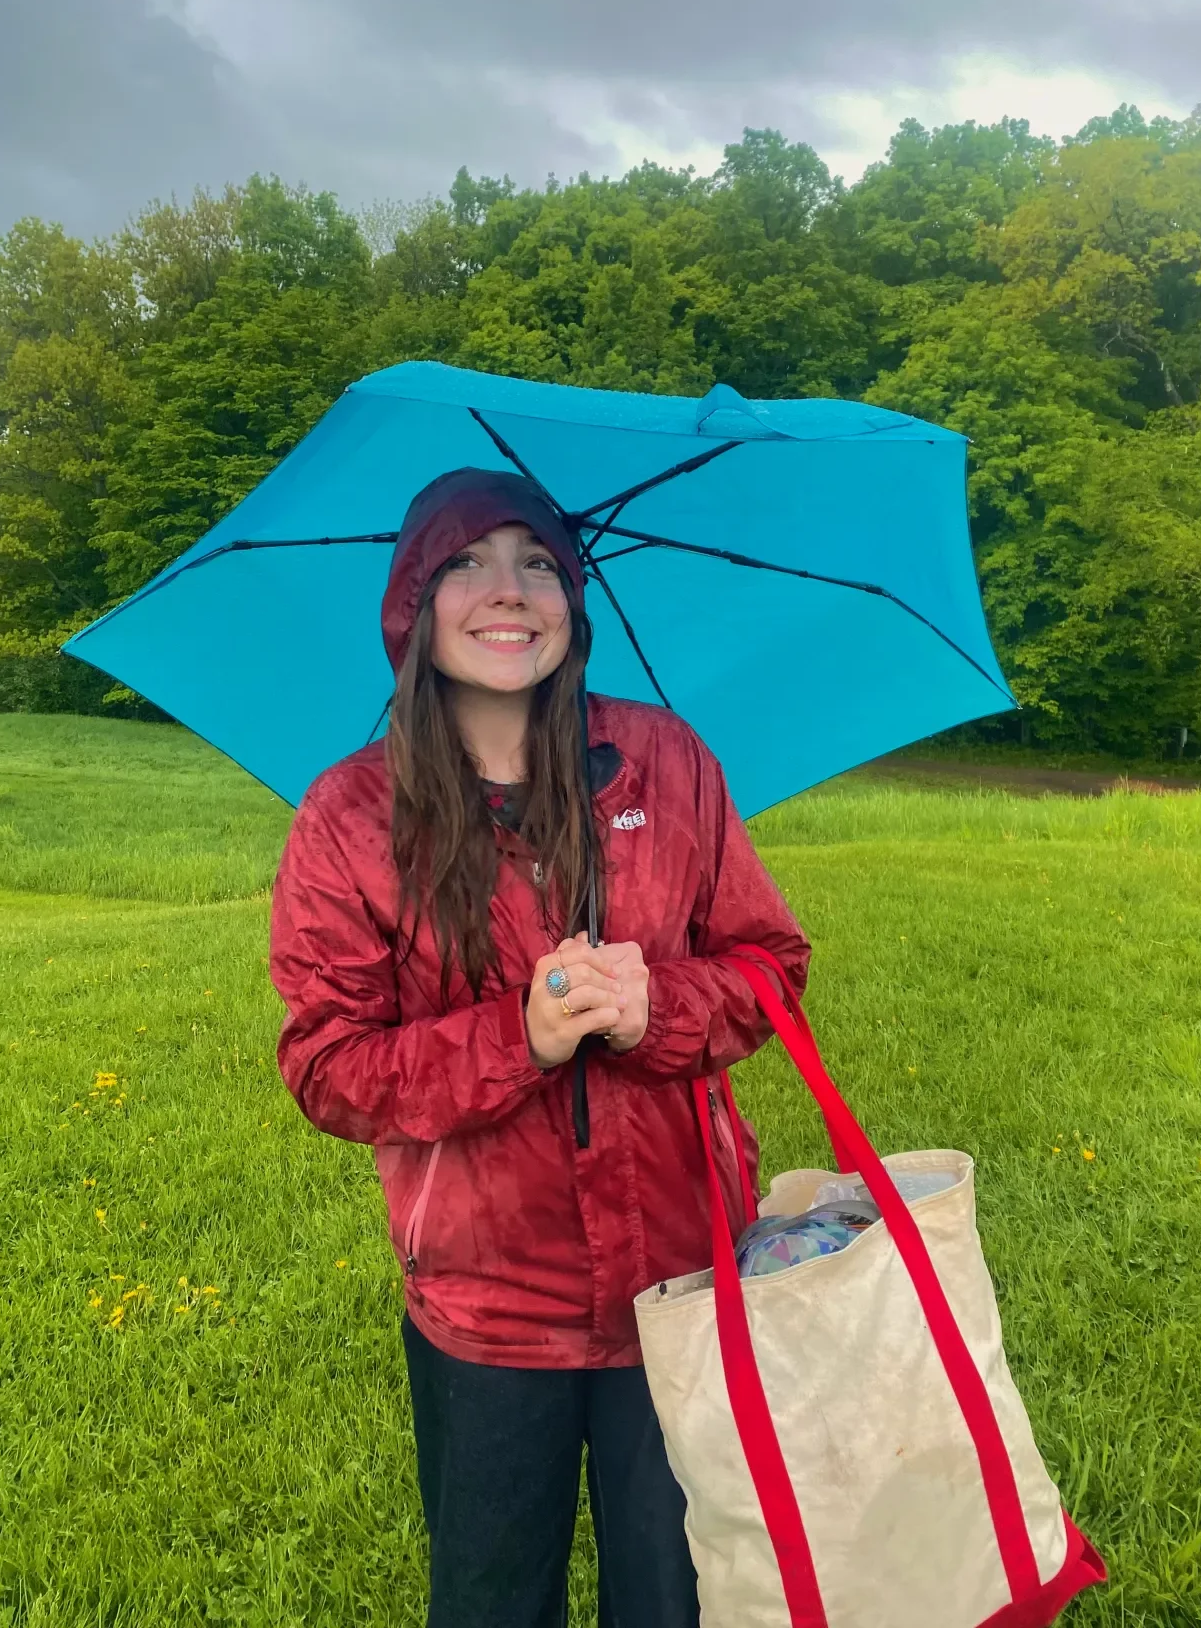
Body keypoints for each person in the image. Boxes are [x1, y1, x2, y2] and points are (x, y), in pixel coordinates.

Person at [270, 466, 810, 1628]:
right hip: (487, 1302)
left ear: (573, 598)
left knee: (680, 1596)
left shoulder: (667, 764)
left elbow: (771, 970)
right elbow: (328, 1065)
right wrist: (515, 1038)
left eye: (536, 562)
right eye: (464, 561)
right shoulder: (353, 817)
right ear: (413, 602)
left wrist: (654, 1005)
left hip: (681, 1272)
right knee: (491, 1600)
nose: (505, 591)